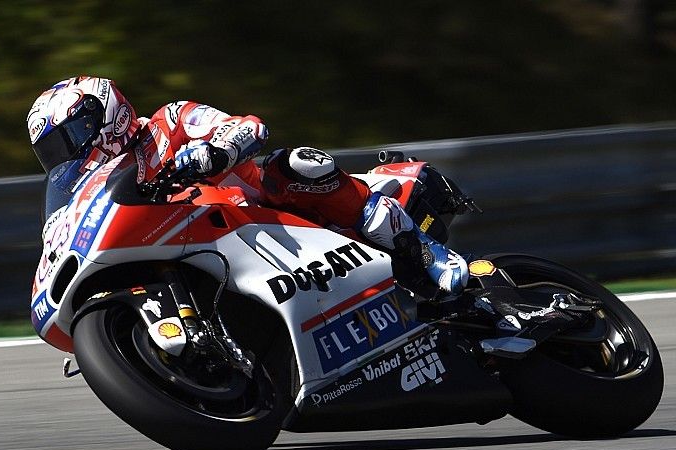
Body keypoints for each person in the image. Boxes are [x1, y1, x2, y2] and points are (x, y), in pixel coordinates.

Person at [27, 76, 468, 295]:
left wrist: (213, 152)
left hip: (264, 213)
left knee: (292, 165)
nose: (67, 155)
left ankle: (424, 253)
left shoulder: (170, 120)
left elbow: (248, 127)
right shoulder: (101, 191)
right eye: (53, 152)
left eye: (72, 136)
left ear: (107, 114)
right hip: (209, 246)